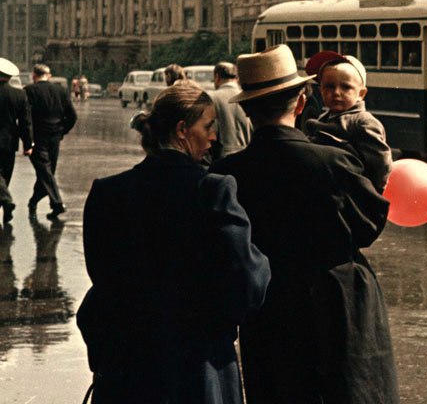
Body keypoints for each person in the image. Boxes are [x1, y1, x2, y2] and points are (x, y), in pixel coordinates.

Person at [210, 45, 398, 404]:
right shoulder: (334, 161)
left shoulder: (226, 174)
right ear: (301, 102)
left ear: (247, 110)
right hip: (338, 303)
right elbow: (369, 226)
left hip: (268, 309)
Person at [77, 83, 270, 404]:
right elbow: (249, 282)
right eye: (208, 127)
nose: (213, 138)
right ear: (182, 130)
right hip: (197, 368)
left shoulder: (107, 192)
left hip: (127, 367)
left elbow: (104, 278)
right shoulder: (213, 190)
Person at [302, 51, 392, 191]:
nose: (336, 92)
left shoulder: (363, 122)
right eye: (329, 86)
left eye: (346, 87)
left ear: (361, 94)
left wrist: (370, 195)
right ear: (321, 91)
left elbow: (380, 166)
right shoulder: (323, 118)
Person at [24, 64, 76, 220]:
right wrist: (62, 130)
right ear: (49, 75)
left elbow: (26, 118)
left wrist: (27, 139)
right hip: (55, 136)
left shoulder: (29, 91)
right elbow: (72, 116)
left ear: (34, 76)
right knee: (47, 171)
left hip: (38, 136)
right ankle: (37, 201)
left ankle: (56, 203)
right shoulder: (61, 91)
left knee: (45, 171)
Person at [0, 57, 32, 228]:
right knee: (6, 176)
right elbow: (26, 122)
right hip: (10, 143)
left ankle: (5, 200)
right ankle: (5, 207)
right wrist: (28, 145)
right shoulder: (19, 94)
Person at [209, 62, 252, 161]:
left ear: (217, 76)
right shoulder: (249, 96)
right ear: (237, 78)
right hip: (249, 157)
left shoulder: (211, 98)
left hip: (222, 159)